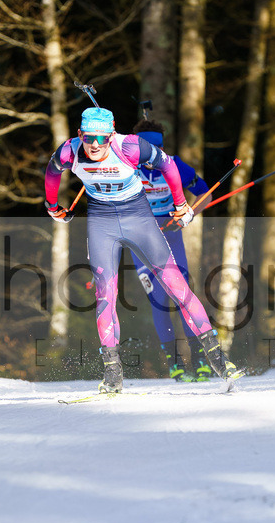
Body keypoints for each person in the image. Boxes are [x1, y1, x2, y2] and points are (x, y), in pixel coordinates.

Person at [44, 107, 241, 393]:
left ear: (111, 135)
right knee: (105, 296)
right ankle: (112, 372)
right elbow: (51, 171)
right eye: (89, 138)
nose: (95, 145)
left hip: (140, 220)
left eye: (101, 138)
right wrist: (52, 206)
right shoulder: (69, 152)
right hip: (102, 223)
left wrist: (181, 205)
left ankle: (216, 358)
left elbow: (170, 166)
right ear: (79, 135)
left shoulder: (131, 147)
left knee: (177, 287)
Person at [129, 118, 213, 382]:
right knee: (158, 299)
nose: (154, 154)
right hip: (141, 240)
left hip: (171, 235)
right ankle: (175, 365)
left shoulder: (174, 164)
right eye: (148, 147)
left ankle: (200, 361)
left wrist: (188, 215)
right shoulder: (126, 166)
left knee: (183, 296)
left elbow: (206, 194)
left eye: (159, 146)